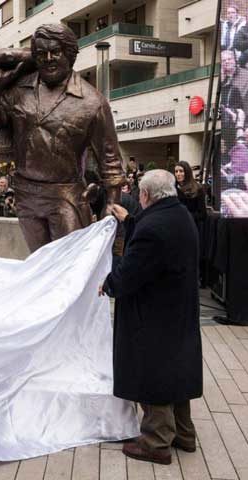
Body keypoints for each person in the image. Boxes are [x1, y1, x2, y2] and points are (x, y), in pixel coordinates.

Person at [0, 24, 125, 251]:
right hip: (26, 194)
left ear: (70, 54)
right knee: (38, 264)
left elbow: (110, 160)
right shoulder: (19, 90)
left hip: (65, 196)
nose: (48, 59)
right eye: (40, 54)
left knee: (68, 264)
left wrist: (112, 202)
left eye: (55, 52)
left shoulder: (93, 103)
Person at [99, 170, 202, 466]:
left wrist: (109, 283)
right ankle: (184, 434)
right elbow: (153, 237)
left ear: (145, 195)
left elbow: (131, 271)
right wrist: (128, 220)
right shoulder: (178, 215)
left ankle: (156, 442)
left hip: (154, 314)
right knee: (177, 368)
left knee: (154, 369)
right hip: (177, 310)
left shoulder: (153, 228)